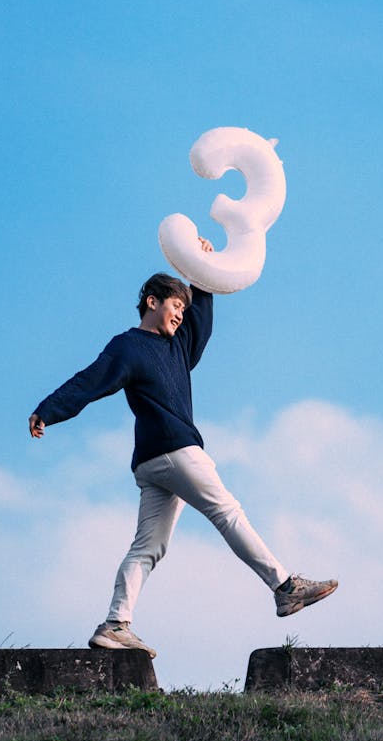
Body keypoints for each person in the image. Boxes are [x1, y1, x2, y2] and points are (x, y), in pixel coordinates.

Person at [28, 238, 337, 658]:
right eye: (176, 305)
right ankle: (285, 587)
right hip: (175, 450)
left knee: (147, 547)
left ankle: (115, 624)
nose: (181, 313)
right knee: (227, 511)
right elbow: (90, 380)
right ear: (152, 302)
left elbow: (202, 324)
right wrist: (50, 409)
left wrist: (200, 271)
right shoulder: (128, 346)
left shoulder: (178, 347)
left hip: (155, 465)